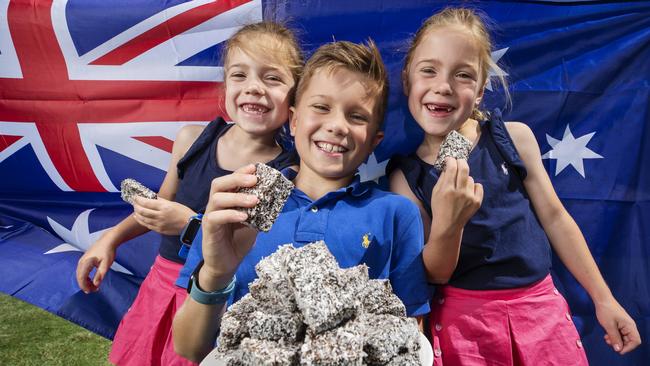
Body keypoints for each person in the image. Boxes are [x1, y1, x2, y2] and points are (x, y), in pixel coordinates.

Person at [388, 6, 641, 365]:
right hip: (464, 325)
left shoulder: (513, 139)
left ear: (478, 93)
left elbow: (555, 218)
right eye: (428, 70)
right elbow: (434, 272)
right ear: (408, 81)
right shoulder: (405, 178)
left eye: (463, 75)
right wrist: (450, 222)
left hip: (540, 314)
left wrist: (603, 299)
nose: (442, 86)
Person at [172, 39, 432, 362]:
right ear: (293, 121)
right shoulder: (238, 206)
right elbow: (187, 346)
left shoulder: (396, 215)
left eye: (356, 116)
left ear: (375, 142)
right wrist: (215, 271)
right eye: (321, 107)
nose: (337, 126)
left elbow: (410, 336)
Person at [75, 21, 303, 366]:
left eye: (272, 78)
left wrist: (190, 223)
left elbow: (260, 250)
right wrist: (111, 239)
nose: (254, 87)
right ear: (225, 87)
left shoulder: (289, 171)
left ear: (295, 97)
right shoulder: (191, 140)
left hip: (218, 299)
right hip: (160, 288)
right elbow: (157, 209)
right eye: (240, 75)